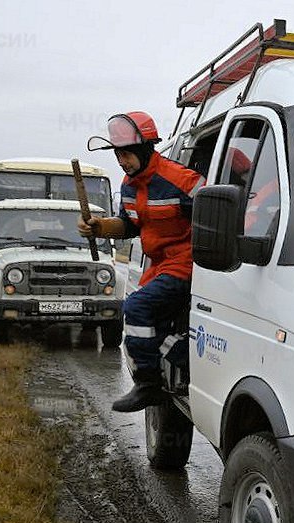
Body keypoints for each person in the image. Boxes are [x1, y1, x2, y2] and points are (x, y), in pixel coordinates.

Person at [79, 111, 204, 412]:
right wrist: (100, 227)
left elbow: (218, 217)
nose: (122, 161)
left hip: (188, 262)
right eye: (118, 155)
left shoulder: (183, 180)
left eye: (127, 154)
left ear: (147, 149)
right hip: (159, 266)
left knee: (136, 308)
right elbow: (129, 224)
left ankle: (147, 385)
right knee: (152, 332)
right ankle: (186, 359)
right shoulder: (129, 186)